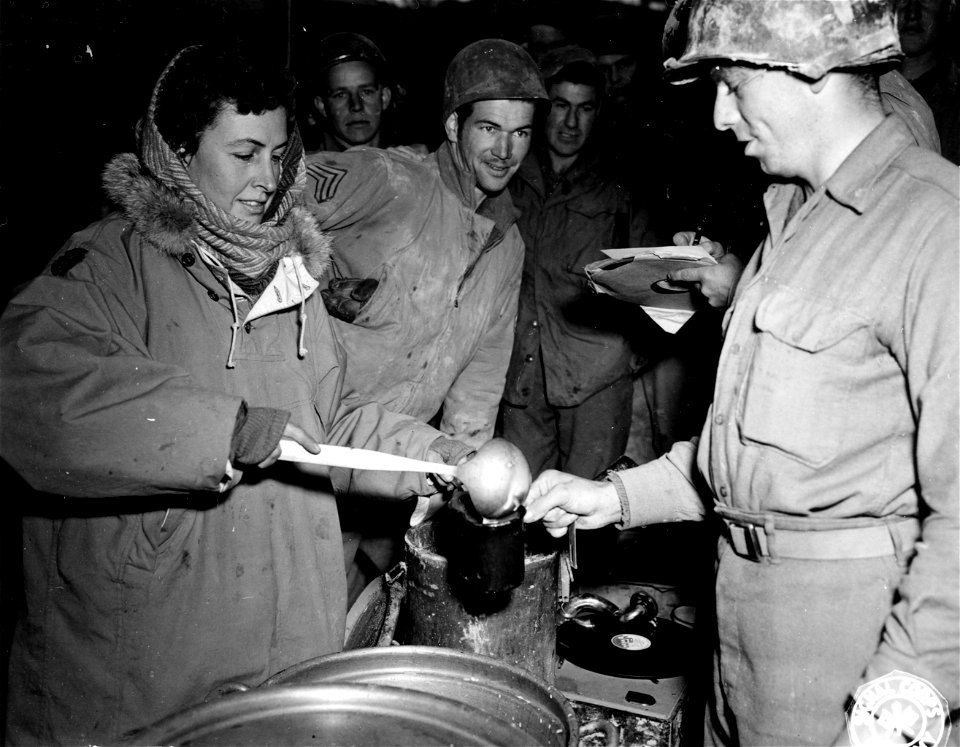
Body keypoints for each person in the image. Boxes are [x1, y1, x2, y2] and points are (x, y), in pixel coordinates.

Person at [0, 42, 467, 745]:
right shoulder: (107, 266)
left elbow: (327, 420)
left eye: (279, 155)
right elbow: (25, 393)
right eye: (243, 153)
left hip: (280, 646)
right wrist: (222, 429)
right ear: (178, 152)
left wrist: (436, 456)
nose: (267, 178)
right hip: (144, 669)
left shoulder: (289, 274)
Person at [523, 1, 960, 744]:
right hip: (740, 635)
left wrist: (903, 700)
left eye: (732, 83)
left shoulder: (935, 226)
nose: (722, 116)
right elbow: (747, 453)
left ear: (810, 68)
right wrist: (612, 496)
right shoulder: (788, 221)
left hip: (853, 652)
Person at [302, 39, 547, 602]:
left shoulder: (507, 245)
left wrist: (463, 484)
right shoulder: (388, 178)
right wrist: (309, 281)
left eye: (521, 132)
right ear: (455, 124)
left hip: (397, 472)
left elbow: (479, 385)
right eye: (489, 128)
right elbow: (250, 197)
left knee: (364, 618)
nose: (505, 150)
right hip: (315, 452)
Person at [500, 45, 660, 480]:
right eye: (560, 106)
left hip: (595, 382)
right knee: (520, 505)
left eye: (585, 109)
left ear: (598, 112)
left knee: (590, 515)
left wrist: (624, 359)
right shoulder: (508, 176)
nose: (571, 123)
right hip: (521, 376)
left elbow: (656, 280)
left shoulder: (621, 184)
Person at [299, 32, 402, 153]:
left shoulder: (412, 164)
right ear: (321, 105)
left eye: (366, 92)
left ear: (384, 97)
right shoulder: (304, 169)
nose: (356, 106)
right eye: (340, 95)